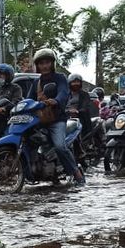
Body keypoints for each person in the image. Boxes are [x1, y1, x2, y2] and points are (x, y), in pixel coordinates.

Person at [26, 48, 85, 186]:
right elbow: (28, 99)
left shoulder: (60, 78)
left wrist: (56, 101)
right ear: (37, 66)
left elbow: (63, 93)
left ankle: (76, 173)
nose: (44, 66)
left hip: (56, 120)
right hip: (39, 120)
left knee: (59, 146)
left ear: (52, 64)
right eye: (41, 63)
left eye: (47, 62)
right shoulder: (36, 82)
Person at [0, 63, 23, 138]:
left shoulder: (15, 88)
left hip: (7, 120)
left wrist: (4, 108)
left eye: (1, 74)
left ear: (8, 76)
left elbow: (16, 101)